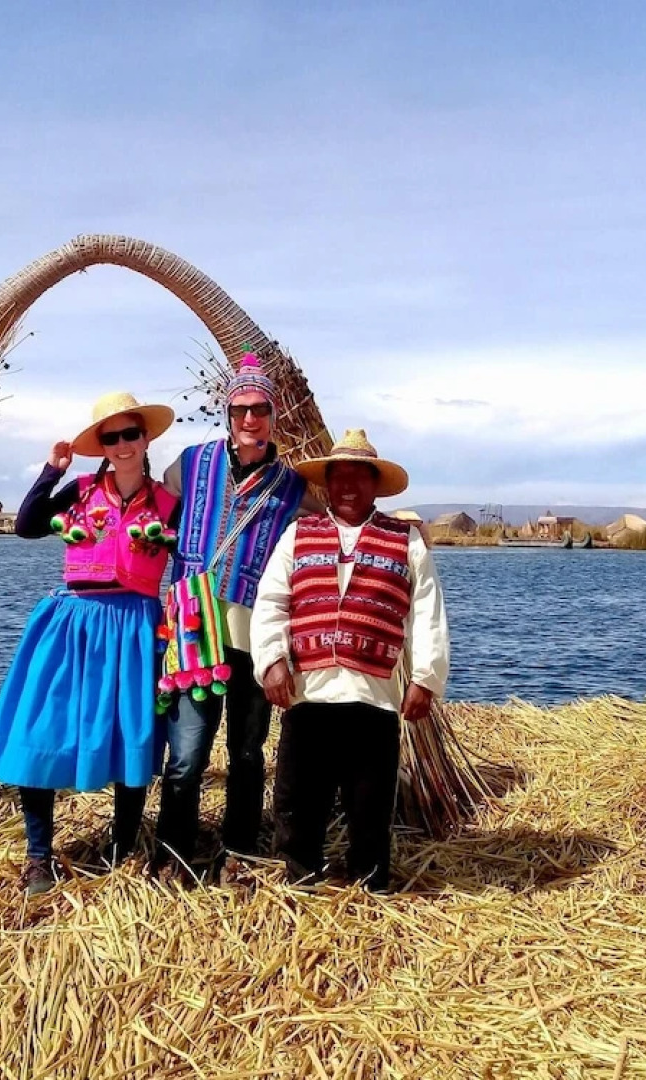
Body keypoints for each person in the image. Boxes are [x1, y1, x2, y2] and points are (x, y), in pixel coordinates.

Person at [0, 391, 179, 896]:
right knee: (44, 727)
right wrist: (52, 470)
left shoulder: (168, 504)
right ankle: (38, 856)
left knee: (130, 731)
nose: (122, 444)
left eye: (130, 434)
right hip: (75, 620)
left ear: (145, 438)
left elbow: (195, 558)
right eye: (111, 437)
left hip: (134, 624)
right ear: (102, 446)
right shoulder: (80, 490)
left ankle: (122, 848)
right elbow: (25, 527)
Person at [250, 428, 449, 892]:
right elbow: (271, 601)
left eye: (359, 477)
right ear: (327, 483)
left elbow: (427, 611)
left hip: (372, 698)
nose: (347, 486)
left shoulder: (406, 542)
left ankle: (369, 883)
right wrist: (273, 660)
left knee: (370, 802)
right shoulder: (299, 534)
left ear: (375, 484)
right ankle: (302, 879)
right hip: (310, 695)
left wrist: (425, 677)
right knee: (299, 798)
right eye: (339, 476)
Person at [154, 352, 317, 878]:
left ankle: (239, 851)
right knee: (187, 753)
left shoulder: (293, 487)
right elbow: (151, 518)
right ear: (228, 414)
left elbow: (331, 523)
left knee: (247, 753)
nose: (251, 419)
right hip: (193, 631)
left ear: (274, 417)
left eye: (261, 409)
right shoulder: (189, 464)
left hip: (254, 638)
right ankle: (174, 851)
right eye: (242, 409)